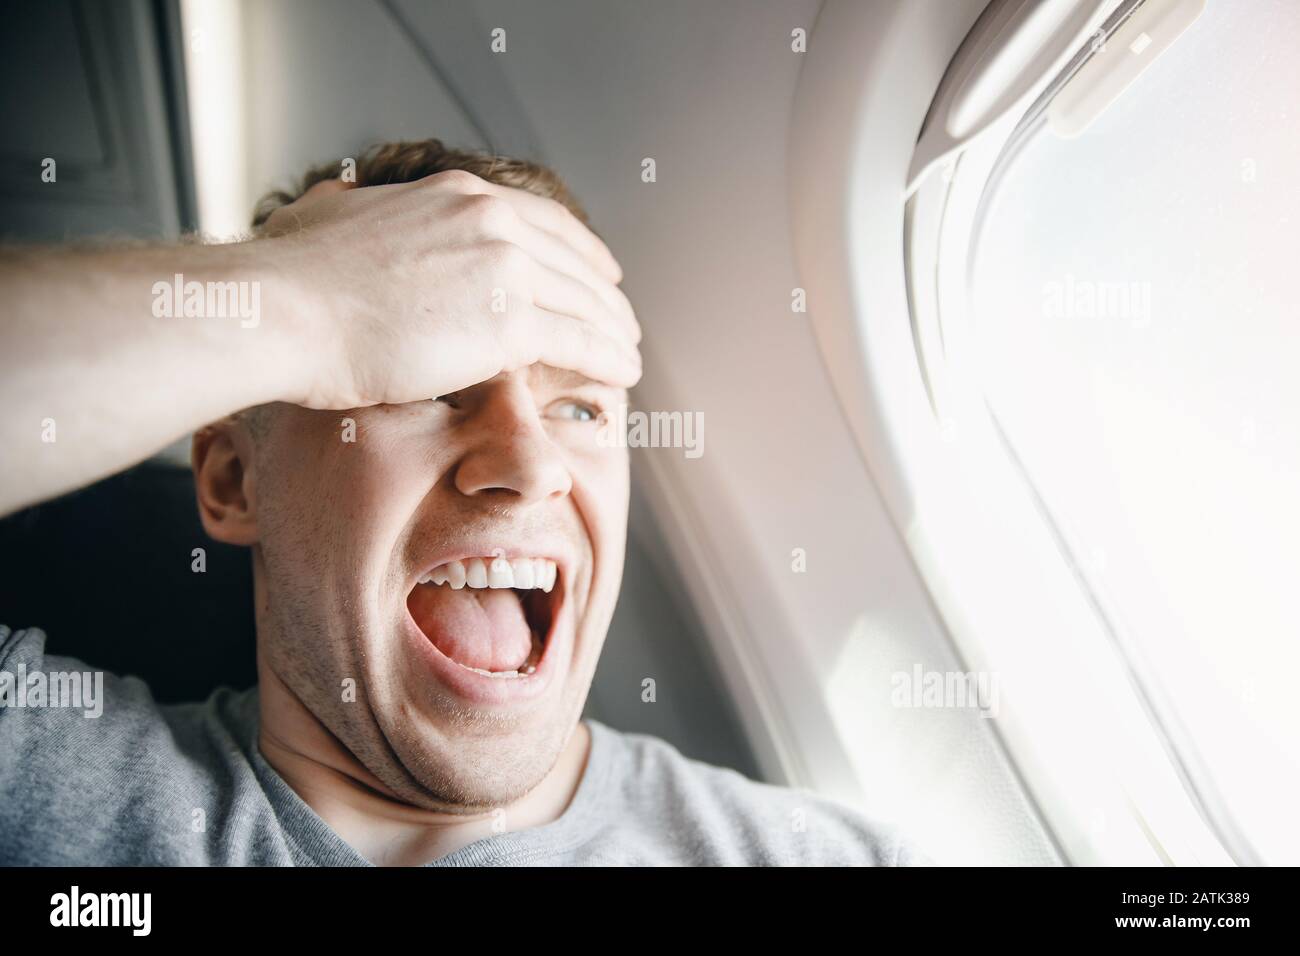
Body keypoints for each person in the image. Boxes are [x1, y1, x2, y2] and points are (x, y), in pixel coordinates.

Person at [0, 139, 920, 865]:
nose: (531, 462)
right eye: (427, 383)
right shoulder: (43, 797)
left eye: (579, 405)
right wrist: (297, 301)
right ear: (236, 483)